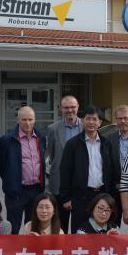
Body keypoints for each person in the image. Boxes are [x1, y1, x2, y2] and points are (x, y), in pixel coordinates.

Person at [59, 106, 119, 234]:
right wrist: (65, 197)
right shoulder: (73, 144)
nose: (91, 122)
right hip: (81, 196)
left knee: (102, 232)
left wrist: (112, 195)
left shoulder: (106, 143)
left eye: (94, 119)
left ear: (100, 122)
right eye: (88, 119)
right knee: (80, 232)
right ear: (82, 121)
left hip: (102, 194)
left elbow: (113, 169)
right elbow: (65, 171)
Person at [0, 105, 46, 234]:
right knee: (13, 229)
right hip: (16, 192)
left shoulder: (41, 138)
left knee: (32, 228)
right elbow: (2, 166)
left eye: (30, 119)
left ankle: (29, 254)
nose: (28, 123)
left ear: (35, 120)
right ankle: (13, 254)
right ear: (18, 120)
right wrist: (11, 181)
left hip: (36, 190)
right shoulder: (7, 140)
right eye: (24, 119)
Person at [46, 95, 83, 229]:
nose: (70, 110)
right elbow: (51, 155)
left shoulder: (87, 126)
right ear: (61, 109)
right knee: (60, 225)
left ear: (78, 107)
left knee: (79, 226)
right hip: (60, 184)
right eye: (66, 107)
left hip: (81, 184)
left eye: (73, 107)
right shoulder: (53, 129)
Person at [109, 104, 128, 226]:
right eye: (119, 118)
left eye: (126, 118)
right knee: (112, 225)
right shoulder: (109, 139)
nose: (123, 121)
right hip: (115, 188)